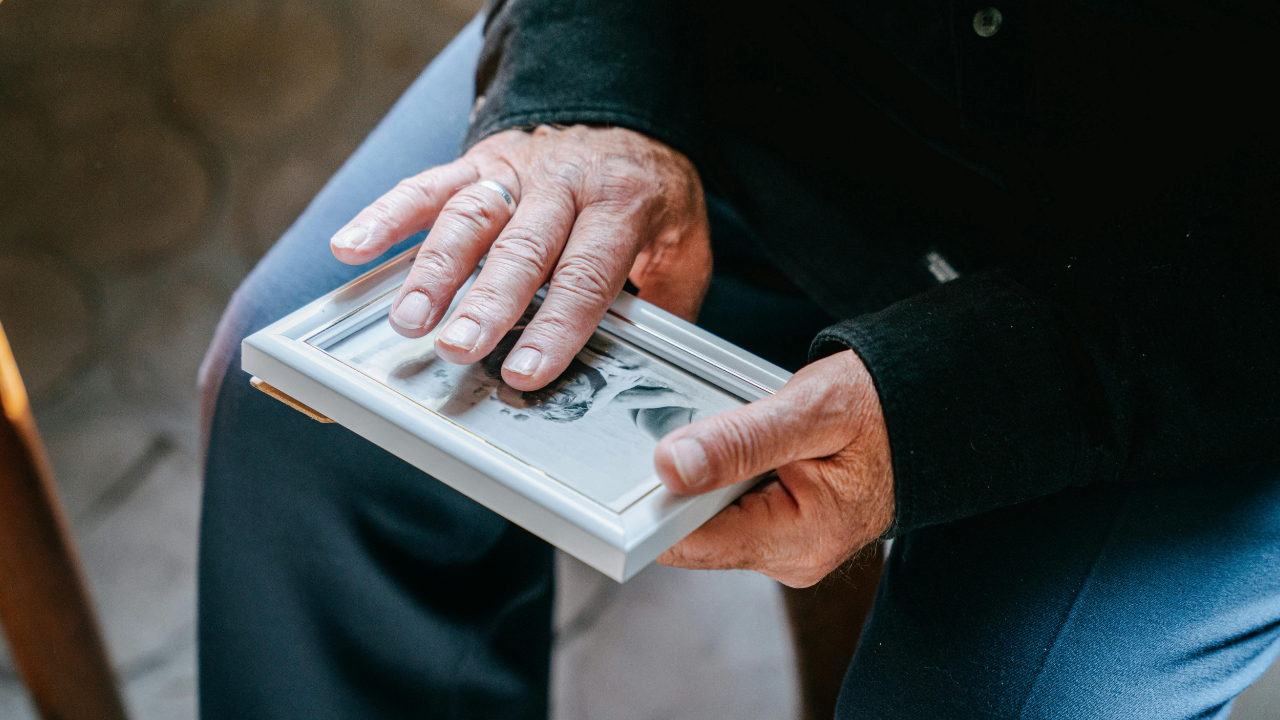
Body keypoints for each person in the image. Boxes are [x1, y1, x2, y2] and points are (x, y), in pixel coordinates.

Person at [198, 1, 1280, 718]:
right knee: (308, 404)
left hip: (1200, 296)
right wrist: (586, 97)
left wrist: (963, 409)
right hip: (765, 82)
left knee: (1002, 696)